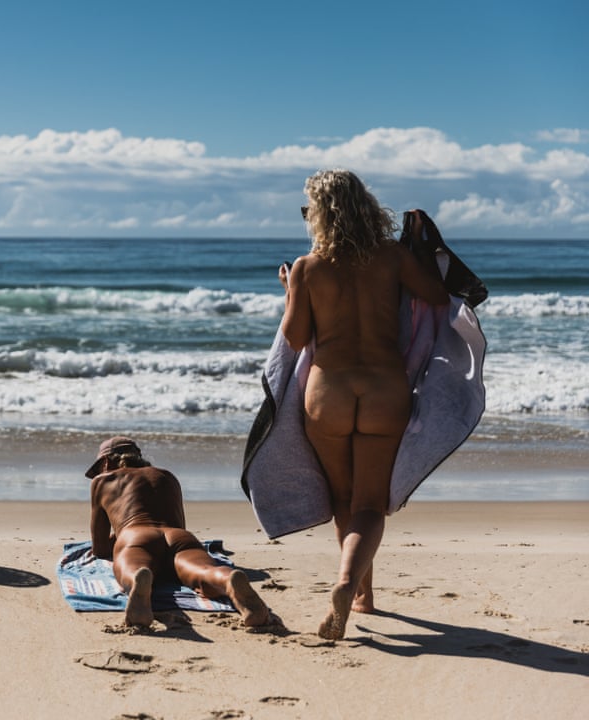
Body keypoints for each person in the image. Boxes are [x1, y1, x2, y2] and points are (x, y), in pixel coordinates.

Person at [281, 169, 449, 639]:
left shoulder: (307, 266)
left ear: (321, 215)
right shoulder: (392, 257)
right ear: (364, 207)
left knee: (342, 498)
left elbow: (296, 339)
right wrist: (415, 251)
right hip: (383, 389)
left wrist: (291, 291)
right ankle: (351, 586)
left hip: (329, 390)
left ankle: (358, 595)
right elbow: (438, 296)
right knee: (371, 503)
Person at [88, 436, 271, 629]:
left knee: (134, 567)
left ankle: (137, 582)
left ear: (106, 462)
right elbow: (179, 523)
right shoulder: (167, 476)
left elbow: (100, 548)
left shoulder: (102, 481)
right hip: (179, 536)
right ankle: (227, 581)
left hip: (135, 535)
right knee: (202, 571)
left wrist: (120, 537)